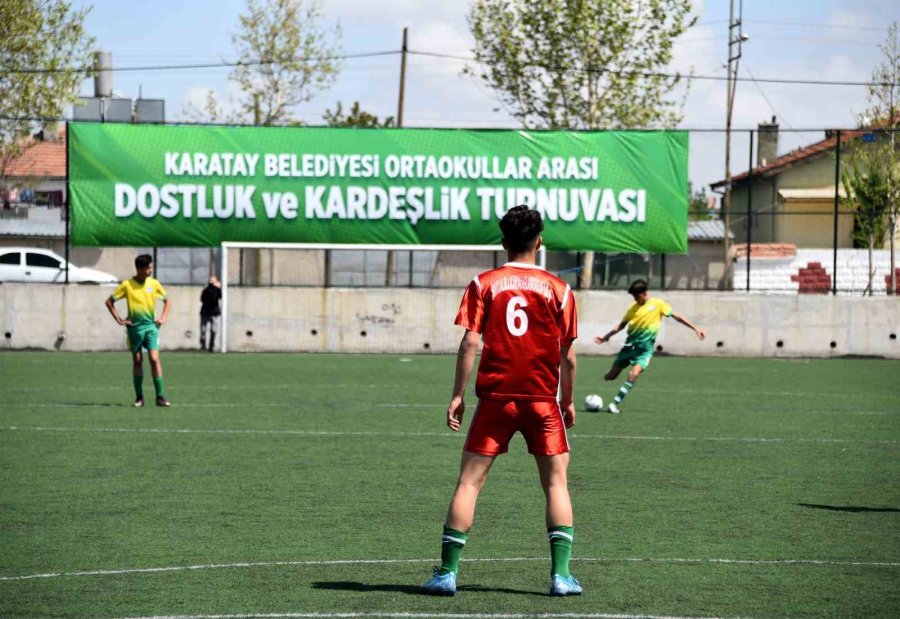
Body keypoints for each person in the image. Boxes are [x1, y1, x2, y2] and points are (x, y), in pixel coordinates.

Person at [421, 205, 581, 597]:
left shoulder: (484, 283)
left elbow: (470, 341)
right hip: (543, 399)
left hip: (495, 400)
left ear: (504, 241)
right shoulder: (561, 290)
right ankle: (560, 576)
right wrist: (568, 401)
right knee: (556, 484)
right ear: (539, 241)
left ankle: (446, 573)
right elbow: (569, 355)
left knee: (469, 483)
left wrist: (457, 395)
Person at [593, 279, 705, 414]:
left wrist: (695, 328)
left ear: (645, 294)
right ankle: (603, 382)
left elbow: (677, 317)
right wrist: (606, 337)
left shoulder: (658, 304)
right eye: (633, 296)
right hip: (629, 348)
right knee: (611, 376)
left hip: (644, 351)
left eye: (636, 296)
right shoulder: (633, 308)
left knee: (633, 374)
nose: (635, 299)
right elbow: (621, 326)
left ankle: (614, 404)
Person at [104, 254, 172, 407]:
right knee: (138, 361)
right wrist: (120, 320)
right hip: (135, 329)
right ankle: (139, 397)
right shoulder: (127, 285)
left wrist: (163, 318)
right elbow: (109, 302)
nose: (151, 270)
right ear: (140, 268)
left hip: (151, 328)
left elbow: (167, 300)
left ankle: (160, 397)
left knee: (154, 359)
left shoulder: (154, 284)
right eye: (149, 268)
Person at [199, 275, 222, 352]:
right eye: (210, 280)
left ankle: (211, 346)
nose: (211, 282)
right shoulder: (206, 290)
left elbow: (220, 296)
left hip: (214, 313)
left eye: (213, 281)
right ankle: (203, 346)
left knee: (213, 330)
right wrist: (207, 289)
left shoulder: (217, 290)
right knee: (203, 330)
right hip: (205, 312)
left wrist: (219, 288)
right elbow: (202, 299)